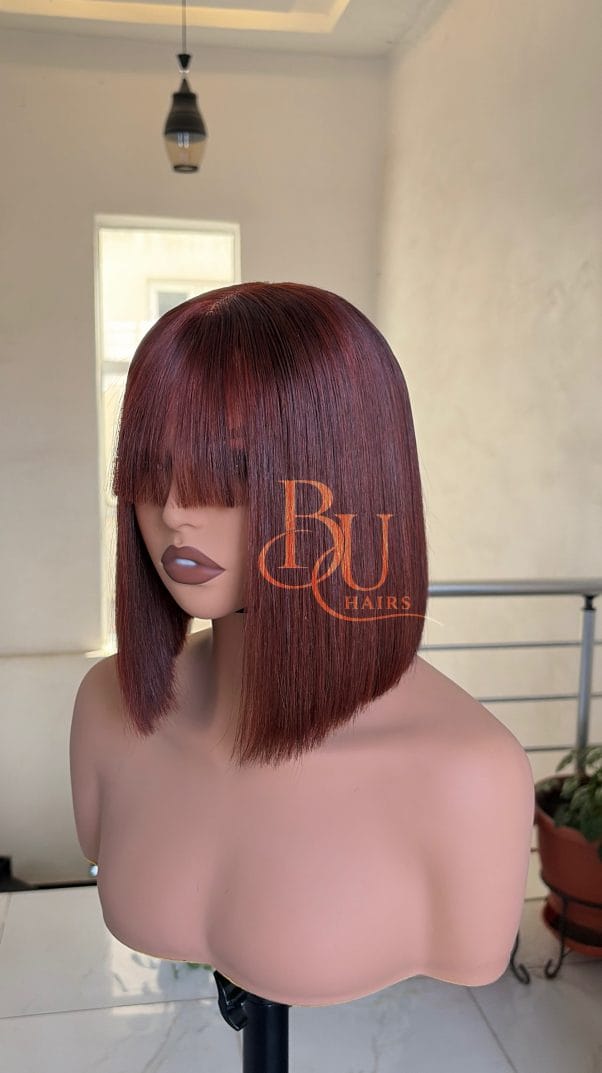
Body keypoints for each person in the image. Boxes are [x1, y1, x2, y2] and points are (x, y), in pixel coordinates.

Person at [70, 282, 534, 1007]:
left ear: (344, 484)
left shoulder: (469, 774)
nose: (175, 510)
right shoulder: (110, 706)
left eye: (231, 468)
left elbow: (475, 953)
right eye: (152, 465)